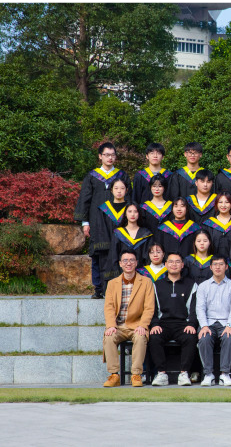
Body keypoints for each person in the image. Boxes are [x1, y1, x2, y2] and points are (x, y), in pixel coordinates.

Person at [74, 142, 127, 298]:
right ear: (100, 156)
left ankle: (118, 287)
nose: (110, 158)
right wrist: (85, 223)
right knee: (98, 253)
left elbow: (129, 198)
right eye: (107, 155)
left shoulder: (122, 176)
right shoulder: (92, 176)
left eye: (113, 155)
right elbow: (85, 199)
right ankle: (98, 288)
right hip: (97, 222)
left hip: (119, 221)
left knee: (119, 253)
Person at [102, 250, 155, 387]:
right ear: (120, 264)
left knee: (140, 337)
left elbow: (149, 307)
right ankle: (114, 375)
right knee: (109, 337)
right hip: (119, 326)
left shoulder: (146, 282)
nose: (128, 263)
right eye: (125, 260)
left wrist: (143, 325)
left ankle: (136, 375)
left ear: (136, 263)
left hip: (136, 325)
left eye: (132, 260)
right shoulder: (112, 283)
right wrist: (111, 325)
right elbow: (109, 307)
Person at [148, 252, 198, 387]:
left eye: (177, 262)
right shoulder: (157, 285)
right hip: (163, 324)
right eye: (170, 262)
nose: (174, 264)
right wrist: (154, 324)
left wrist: (192, 323)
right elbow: (152, 308)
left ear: (182, 265)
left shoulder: (191, 284)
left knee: (190, 337)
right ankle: (161, 373)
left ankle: (184, 373)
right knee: (154, 337)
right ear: (165, 265)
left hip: (183, 324)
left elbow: (194, 308)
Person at [196, 255, 231, 386]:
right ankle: (208, 374)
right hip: (208, 323)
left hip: (226, 322)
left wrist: (229, 325)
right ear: (210, 267)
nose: (218, 267)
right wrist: (204, 326)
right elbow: (200, 308)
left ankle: (224, 374)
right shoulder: (203, 286)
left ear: (226, 267)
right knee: (204, 338)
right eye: (215, 264)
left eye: (221, 264)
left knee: (229, 337)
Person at [103, 202, 153, 280]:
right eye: (130, 211)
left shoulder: (146, 234)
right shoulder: (118, 233)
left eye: (135, 211)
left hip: (141, 275)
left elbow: (148, 258)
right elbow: (114, 255)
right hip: (121, 274)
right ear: (125, 214)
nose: (132, 214)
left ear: (139, 214)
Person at [201, 192, 231, 258]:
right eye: (220, 202)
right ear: (216, 204)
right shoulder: (209, 224)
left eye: (227, 202)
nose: (223, 205)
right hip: (214, 262)